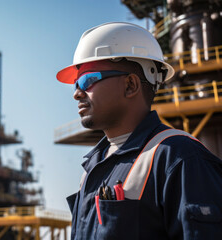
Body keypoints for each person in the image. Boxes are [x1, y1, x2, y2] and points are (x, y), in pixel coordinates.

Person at [56, 22, 222, 240]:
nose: (77, 93)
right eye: (76, 83)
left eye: (88, 80)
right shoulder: (92, 168)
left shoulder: (179, 159)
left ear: (130, 85)